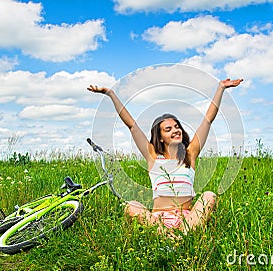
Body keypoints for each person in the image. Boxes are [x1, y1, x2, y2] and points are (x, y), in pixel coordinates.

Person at [87, 78, 243, 236]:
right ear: (160, 137)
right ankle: (170, 237)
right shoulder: (153, 156)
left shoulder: (190, 154)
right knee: (131, 206)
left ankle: (180, 236)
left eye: (177, 127)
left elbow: (207, 120)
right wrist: (111, 94)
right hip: (158, 221)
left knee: (209, 196)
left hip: (187, 220)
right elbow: (132, 126)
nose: (176, 130)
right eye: (168, 129)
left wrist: (220, 88)